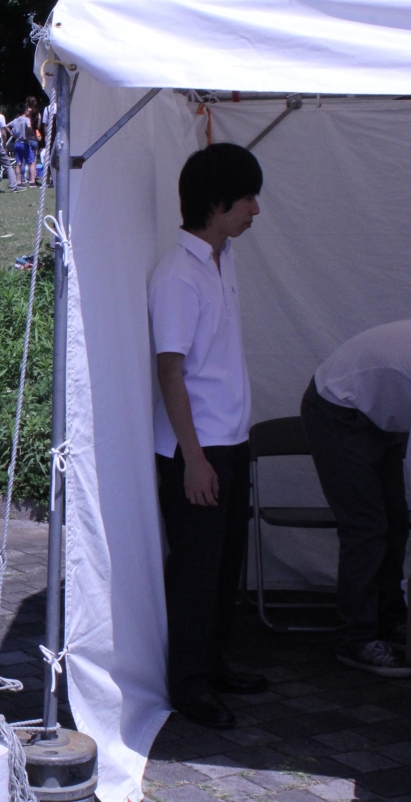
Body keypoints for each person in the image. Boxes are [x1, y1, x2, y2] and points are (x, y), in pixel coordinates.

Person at [149, 143, 266, 729]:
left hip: (230, 439)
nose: (255, 210)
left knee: (224, 568)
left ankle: (213, 663)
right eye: (248, 198)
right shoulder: (177, 275)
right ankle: (189, 684)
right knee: (196, 572)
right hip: (195, 447)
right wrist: (194, 459)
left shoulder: (222, 258)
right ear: (217, 203)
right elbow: (170, 371)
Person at [302, 320, 411, 678]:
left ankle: (388, 621)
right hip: (338, 409)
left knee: (395, 522)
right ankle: (355, 638)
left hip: (381, 418)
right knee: (366, 527)